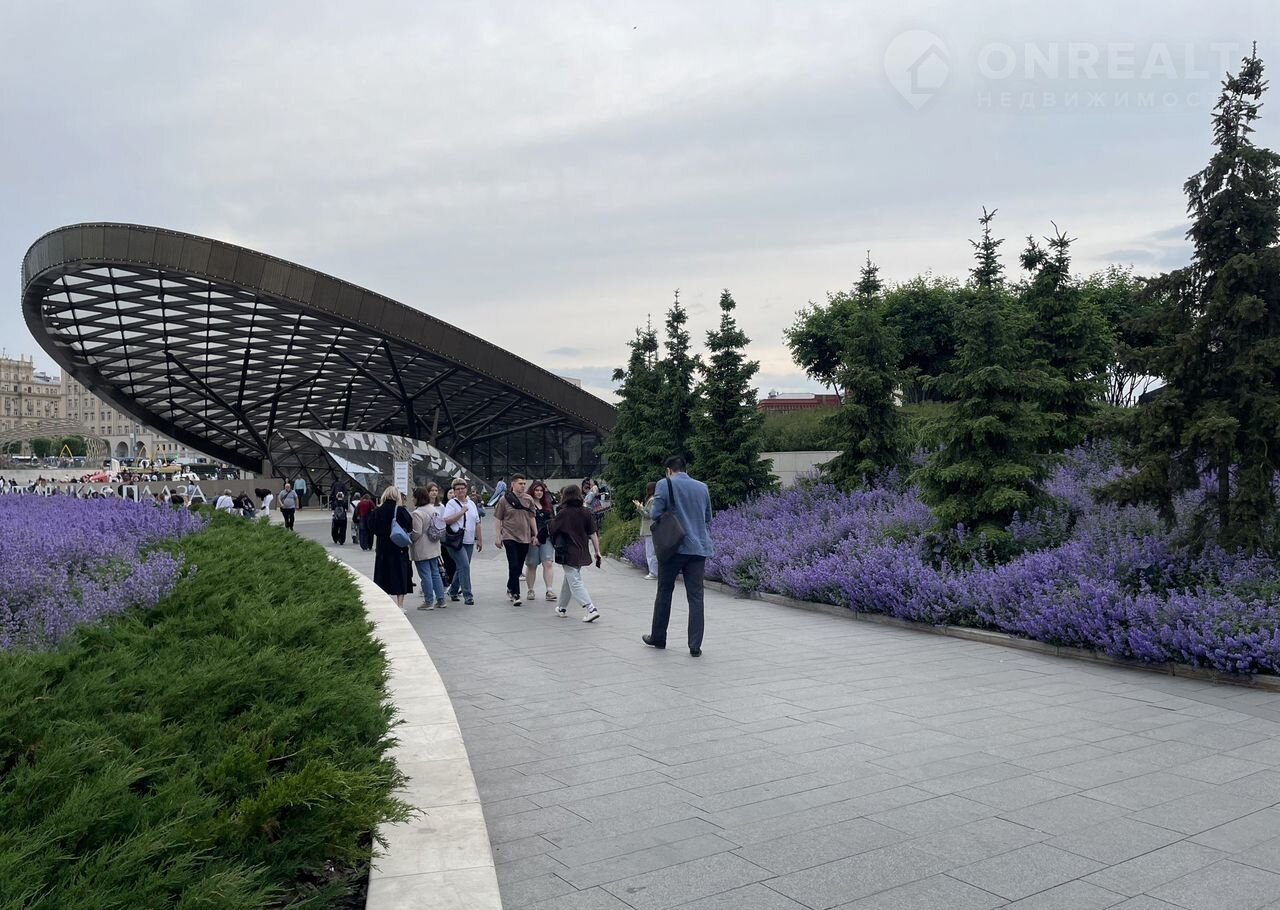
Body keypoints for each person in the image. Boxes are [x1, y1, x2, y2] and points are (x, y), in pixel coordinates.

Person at [643, 455, 714, 657]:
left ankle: (658, 637)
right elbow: (707, 517)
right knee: (696, 597)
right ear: (685, 468)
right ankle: (695, 645)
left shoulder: (664, 484)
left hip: (673, 547)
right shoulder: (702, 487)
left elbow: (655, 514)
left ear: (669, 470)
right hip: (698, 548)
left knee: (664, 592)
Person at [548, 484, 601, 622]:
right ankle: (561, 607)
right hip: (582, 550)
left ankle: (591, 608)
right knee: (570, 579)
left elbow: (552, 529)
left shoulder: (563, 513)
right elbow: (593, 533)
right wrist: (597, 551)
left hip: (567, 551)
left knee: (575, 581)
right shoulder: (586, 512)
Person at [495, 474, 538, 606]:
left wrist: (535, 534)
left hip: (524, 536)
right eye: (520, 483)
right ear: (513, 484)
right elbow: (498, 518)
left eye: (524, 483)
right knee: (513, 564)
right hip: (509, 536)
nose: (523, 486)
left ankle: (510, 586)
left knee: (518, 566)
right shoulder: (504, 500)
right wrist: (498, 536)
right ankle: (516, 594)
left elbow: (532, 517)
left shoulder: (528, 499)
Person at [370, 485, 414, 608]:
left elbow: (371, 526)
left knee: (382, 575)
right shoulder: (400, 510)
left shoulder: (377, 511)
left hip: (382, 548)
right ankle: (400, 605)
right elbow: (410, 526)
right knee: (400, 575)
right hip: (398, 548)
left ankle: (384, 604)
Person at [442, 477, 483, 604]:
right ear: (454, 491)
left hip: (469, 540)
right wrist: (461, 512)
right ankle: (468, 595)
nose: (460, 491)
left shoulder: (471, 504)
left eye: (462, 488)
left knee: (462, 567)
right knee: (464, 566)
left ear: (466, 489)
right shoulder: (451, 504)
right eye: (457, 489)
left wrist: (479, 539)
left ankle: (453, 591)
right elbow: (447, 520)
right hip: (455, 541)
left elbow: (477, 522)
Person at [410, 484, 448, 610]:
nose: (412, 499)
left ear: (418, 498)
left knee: (425, 575)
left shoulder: (417, 513)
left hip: (422, 547)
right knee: (435, 573)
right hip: (434, 545)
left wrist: (409, 538)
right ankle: (441, 600)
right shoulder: (433, 509)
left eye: (413, 497)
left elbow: (417, 532)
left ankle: (428, 601)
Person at [524, 480, 558, 602]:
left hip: (546, 537)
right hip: (532, 538)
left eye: (541, 490)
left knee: (548, 562)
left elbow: (553, 520)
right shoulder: (528, 504)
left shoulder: (547, 505)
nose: (539, 492)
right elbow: (525, 521)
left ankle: (549, 590)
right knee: (531, 564)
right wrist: (532, 535)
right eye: (536, 490)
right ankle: (530, 589)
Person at [633, 481, 660, 579]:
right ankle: (655, 571)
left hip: (649, 529)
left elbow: (648, 515)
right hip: (652, 529)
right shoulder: (655, 499)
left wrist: (640, 508)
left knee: (650, 552)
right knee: (653, 551)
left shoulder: (652, 500)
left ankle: (653, 572)